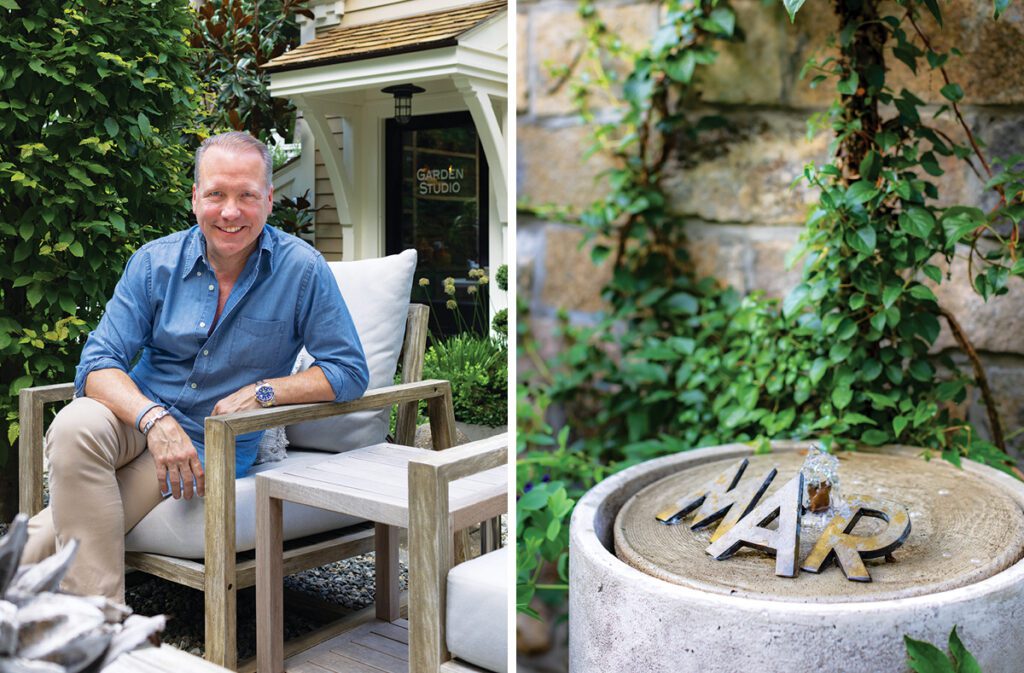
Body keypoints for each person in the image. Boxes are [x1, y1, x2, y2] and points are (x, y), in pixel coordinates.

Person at [22, 132, 369, 602]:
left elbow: (347, 371)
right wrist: (153, 419)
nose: (230, 212)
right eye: (216, 194)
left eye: (246, 195)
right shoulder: (154, 263)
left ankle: (91, 626)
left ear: (268, 200)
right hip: (138, 415)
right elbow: (98, 362)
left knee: (68, 524)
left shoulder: (302, 270)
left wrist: (264, 391)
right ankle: (101, 635)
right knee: (74, 424)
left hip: (210, 441)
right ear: (195, 199)